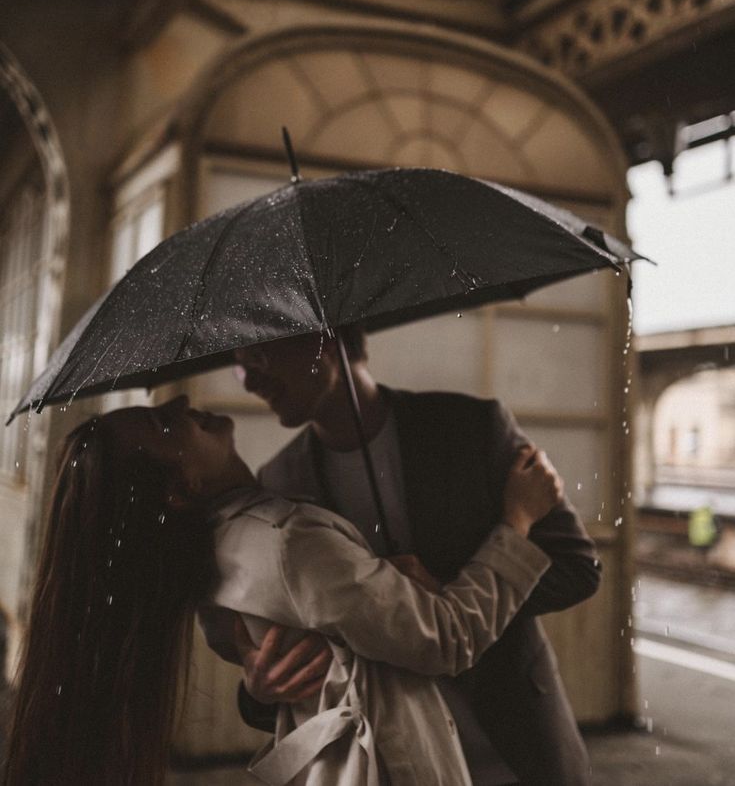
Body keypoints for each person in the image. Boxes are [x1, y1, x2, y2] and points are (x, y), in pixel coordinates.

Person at [3, 395, 558, 786]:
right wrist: (519, 519)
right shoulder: (287, 539)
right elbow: (447, 638)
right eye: (162, 425)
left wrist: (376, 575)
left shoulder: (216, 552)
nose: (181, 403)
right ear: (181, 489)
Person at [233, 327, 602, 786]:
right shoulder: (281, 482)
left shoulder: (470, 427)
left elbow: (577, 568)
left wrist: (444, 593)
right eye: (240, 365)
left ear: (325, 339)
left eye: (259, 357)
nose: (248, 381)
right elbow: (292, 655)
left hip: (516, 740)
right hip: (390, 760)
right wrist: (260, 693)